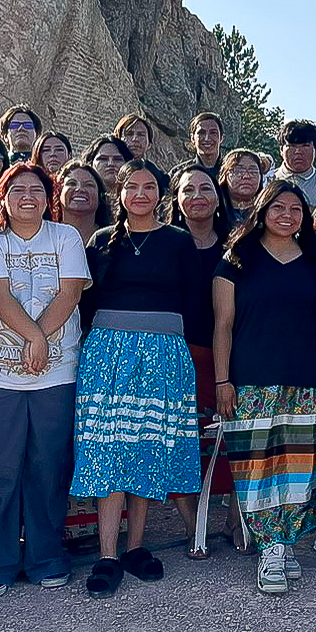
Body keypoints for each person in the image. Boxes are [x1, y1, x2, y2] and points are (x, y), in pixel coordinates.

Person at [71, 161, 202, 598]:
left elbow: (194, 303)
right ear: (120, 191)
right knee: (106, 449)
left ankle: (136, 547)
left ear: (162, 195)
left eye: (149, 186)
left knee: (145, 446)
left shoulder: (179, 242)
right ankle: (106, 555)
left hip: (163, 354)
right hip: (108, 353)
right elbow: (85, 300)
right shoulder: (101, 240)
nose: (140, 193)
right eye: (132, 186)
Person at [212, 181, 316, 594]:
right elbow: (223, 326)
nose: (287, 215)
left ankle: (284, 543)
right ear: (262, 211)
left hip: (308, 379)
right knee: (256, 468)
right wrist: (222, 380)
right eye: (278, 207)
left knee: (301, 467)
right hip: (251, 381)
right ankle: (270, 547)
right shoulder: (236, 260)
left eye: (296, 208)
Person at [0, 164, 90, 596]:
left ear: (48, 196)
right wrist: (34, 336)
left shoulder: (65, 237)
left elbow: (71, 291)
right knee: (0, 470)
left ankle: (46, 555)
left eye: (36, 190)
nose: (27, 197)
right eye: (17, 189)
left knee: (48, 466)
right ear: (1, 195)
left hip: (56, 373)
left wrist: (39, 342)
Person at [167, 164, 234, 555]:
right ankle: (195, 524)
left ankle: (231, 520)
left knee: (231, 437)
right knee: (177, 438)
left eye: (205, 187)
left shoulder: (236, 243)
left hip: (225, 354)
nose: (197, 196)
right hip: (178, 353)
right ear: (176, 198)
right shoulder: (163, 241)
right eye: (188, 189)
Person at [57, 161, 111, 245]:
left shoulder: (113, 239)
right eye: (72, 183)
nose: (79, 189)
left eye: (89, 185)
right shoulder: (46, 237)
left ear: (100, 197)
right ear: (58, 193)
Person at [267, 119, 316, 200]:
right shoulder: (268, 181)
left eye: (305, 145)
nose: (298, 151)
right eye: (292, 146)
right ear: (281, 150)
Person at [218, 148, 265, 225]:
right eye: (239, 171)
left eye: (253, 171)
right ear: (225, 175)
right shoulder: (215, 211)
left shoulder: (267, 212)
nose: (246, 176)